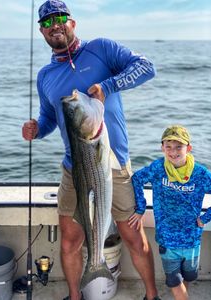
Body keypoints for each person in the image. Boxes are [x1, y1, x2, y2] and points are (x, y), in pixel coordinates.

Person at [22, 1, 160, 299]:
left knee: (133, 237)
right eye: (47, 23)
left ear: (72, 23)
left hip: (115, 163)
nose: (54, 25)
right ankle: (75, 296)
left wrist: (108, 86)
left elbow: (147, 68)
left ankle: (152, 295)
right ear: (41, 31)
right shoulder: (46, 75)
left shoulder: (101, 49)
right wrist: (37, 128)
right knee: (71, 241)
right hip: (74, 169)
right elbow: (49, 117)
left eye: (59, 18)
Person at [130, 125, 211, 300]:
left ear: (188, 148)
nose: (173, 152)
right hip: (167, 238)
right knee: (174, 280)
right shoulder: (158, 168)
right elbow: (136, 179)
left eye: (178, 147)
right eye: (168, 147)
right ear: (162, 148)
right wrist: (140, 207)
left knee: (187, 276)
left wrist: (205, 217)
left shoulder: (201, 173)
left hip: (191, 238)